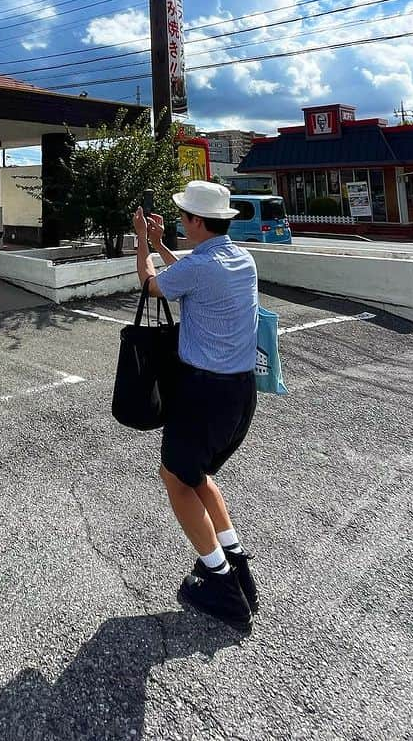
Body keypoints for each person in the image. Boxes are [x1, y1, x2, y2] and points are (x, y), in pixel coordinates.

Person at [133, 180, 259, 630]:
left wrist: (141, 244)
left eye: (185, 216)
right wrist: (163, 245)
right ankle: (235, 560)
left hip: (203, 393)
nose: (183, 221)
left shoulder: (201, 267)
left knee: (175, 478)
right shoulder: (239, 259)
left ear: (199, 222)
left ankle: (221, 582)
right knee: (199, 474)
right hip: (240, 393)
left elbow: (153, 286)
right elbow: (184, 277)